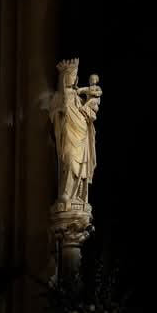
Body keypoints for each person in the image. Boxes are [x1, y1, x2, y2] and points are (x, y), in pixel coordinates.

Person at [49, 59, 101, 205]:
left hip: (81, 133)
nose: (72, 78)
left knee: (81, 166)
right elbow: (54, 114)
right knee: (70, 160)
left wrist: (88, 114)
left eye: (74, 75)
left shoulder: (78, 97)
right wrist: (61, 111)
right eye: (70, 75)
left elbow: (88, 111)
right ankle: (66, 193)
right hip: (69, 133)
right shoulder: (60, 96)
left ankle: (77, 195)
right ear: (64, 77)